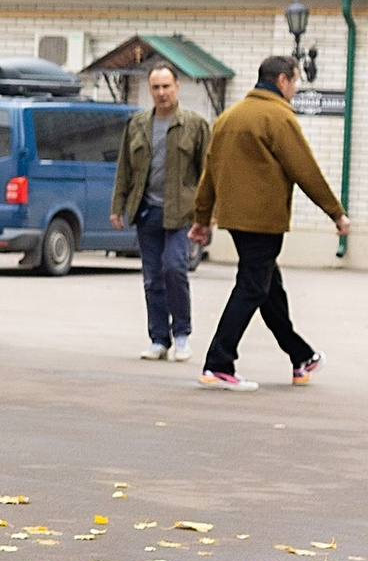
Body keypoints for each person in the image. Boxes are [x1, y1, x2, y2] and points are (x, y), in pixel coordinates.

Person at [192, 56, 346, 388]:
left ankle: (300, 355)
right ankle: (219, 362)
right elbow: (305, 169)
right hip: (264, 220)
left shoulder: (228, 117)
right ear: (281, 81)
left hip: (235, 220)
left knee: (267, 287)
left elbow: (210, 173)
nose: (295, 89)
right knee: (252, 287)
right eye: (294, 82)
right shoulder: (277, 116)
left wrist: (202, 218)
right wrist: (335, 212)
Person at [109, 61, 210, 361]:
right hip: (147, 212)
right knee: (152, 277)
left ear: (177, 87)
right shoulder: (138, 124)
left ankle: (182, 335)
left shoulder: (195, 124)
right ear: (150, 90)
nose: (162, 92)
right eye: (156, 87)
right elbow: (124, 169)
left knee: (174, 269)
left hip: (181, 214)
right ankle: (158, 339)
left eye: (167, 86)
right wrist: (118, 207)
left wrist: (208, 214)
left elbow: (208, 171)